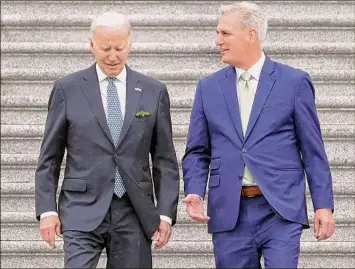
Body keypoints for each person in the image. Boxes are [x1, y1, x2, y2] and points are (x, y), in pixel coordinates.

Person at [182, 2, 335, 268]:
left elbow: (313, 150)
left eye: (225, 33)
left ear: (250, 35)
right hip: (229, 213)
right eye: (218, 33)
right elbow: (197, 151)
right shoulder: (208, 87)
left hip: (280, 210)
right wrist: (195, 190)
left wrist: (324, 205)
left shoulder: (294, 82)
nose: (218, 41)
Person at [35, 11, 180, 269]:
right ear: (91, 45)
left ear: (130, 44)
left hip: (134, 211)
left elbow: (164, 160)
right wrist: (47, 211)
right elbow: (49, 158)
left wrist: (166, 213)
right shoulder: (67, 89)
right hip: (81, 207)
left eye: (119, 48)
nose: (112, 56)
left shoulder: (153, 90)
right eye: (105, 48)